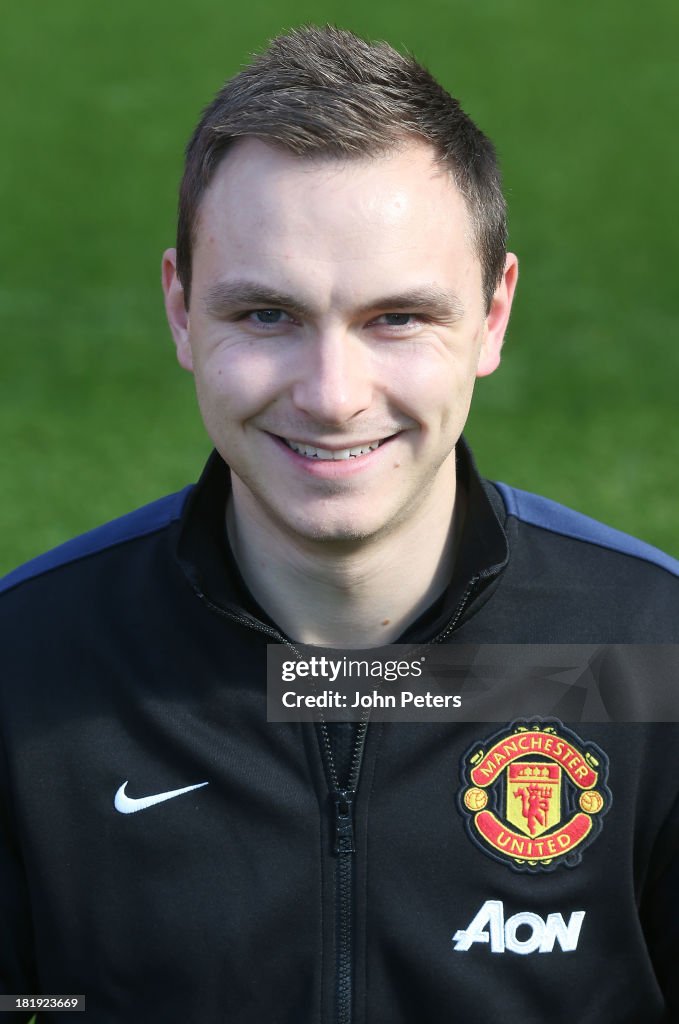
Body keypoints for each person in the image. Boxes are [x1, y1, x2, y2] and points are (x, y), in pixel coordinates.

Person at [1, 24, 678, 1024]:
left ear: (492, 317)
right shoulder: (27, 668)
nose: (331, 395)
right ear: (181, 311)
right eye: (266, 315)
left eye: (396, 317)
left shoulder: (649, 653)